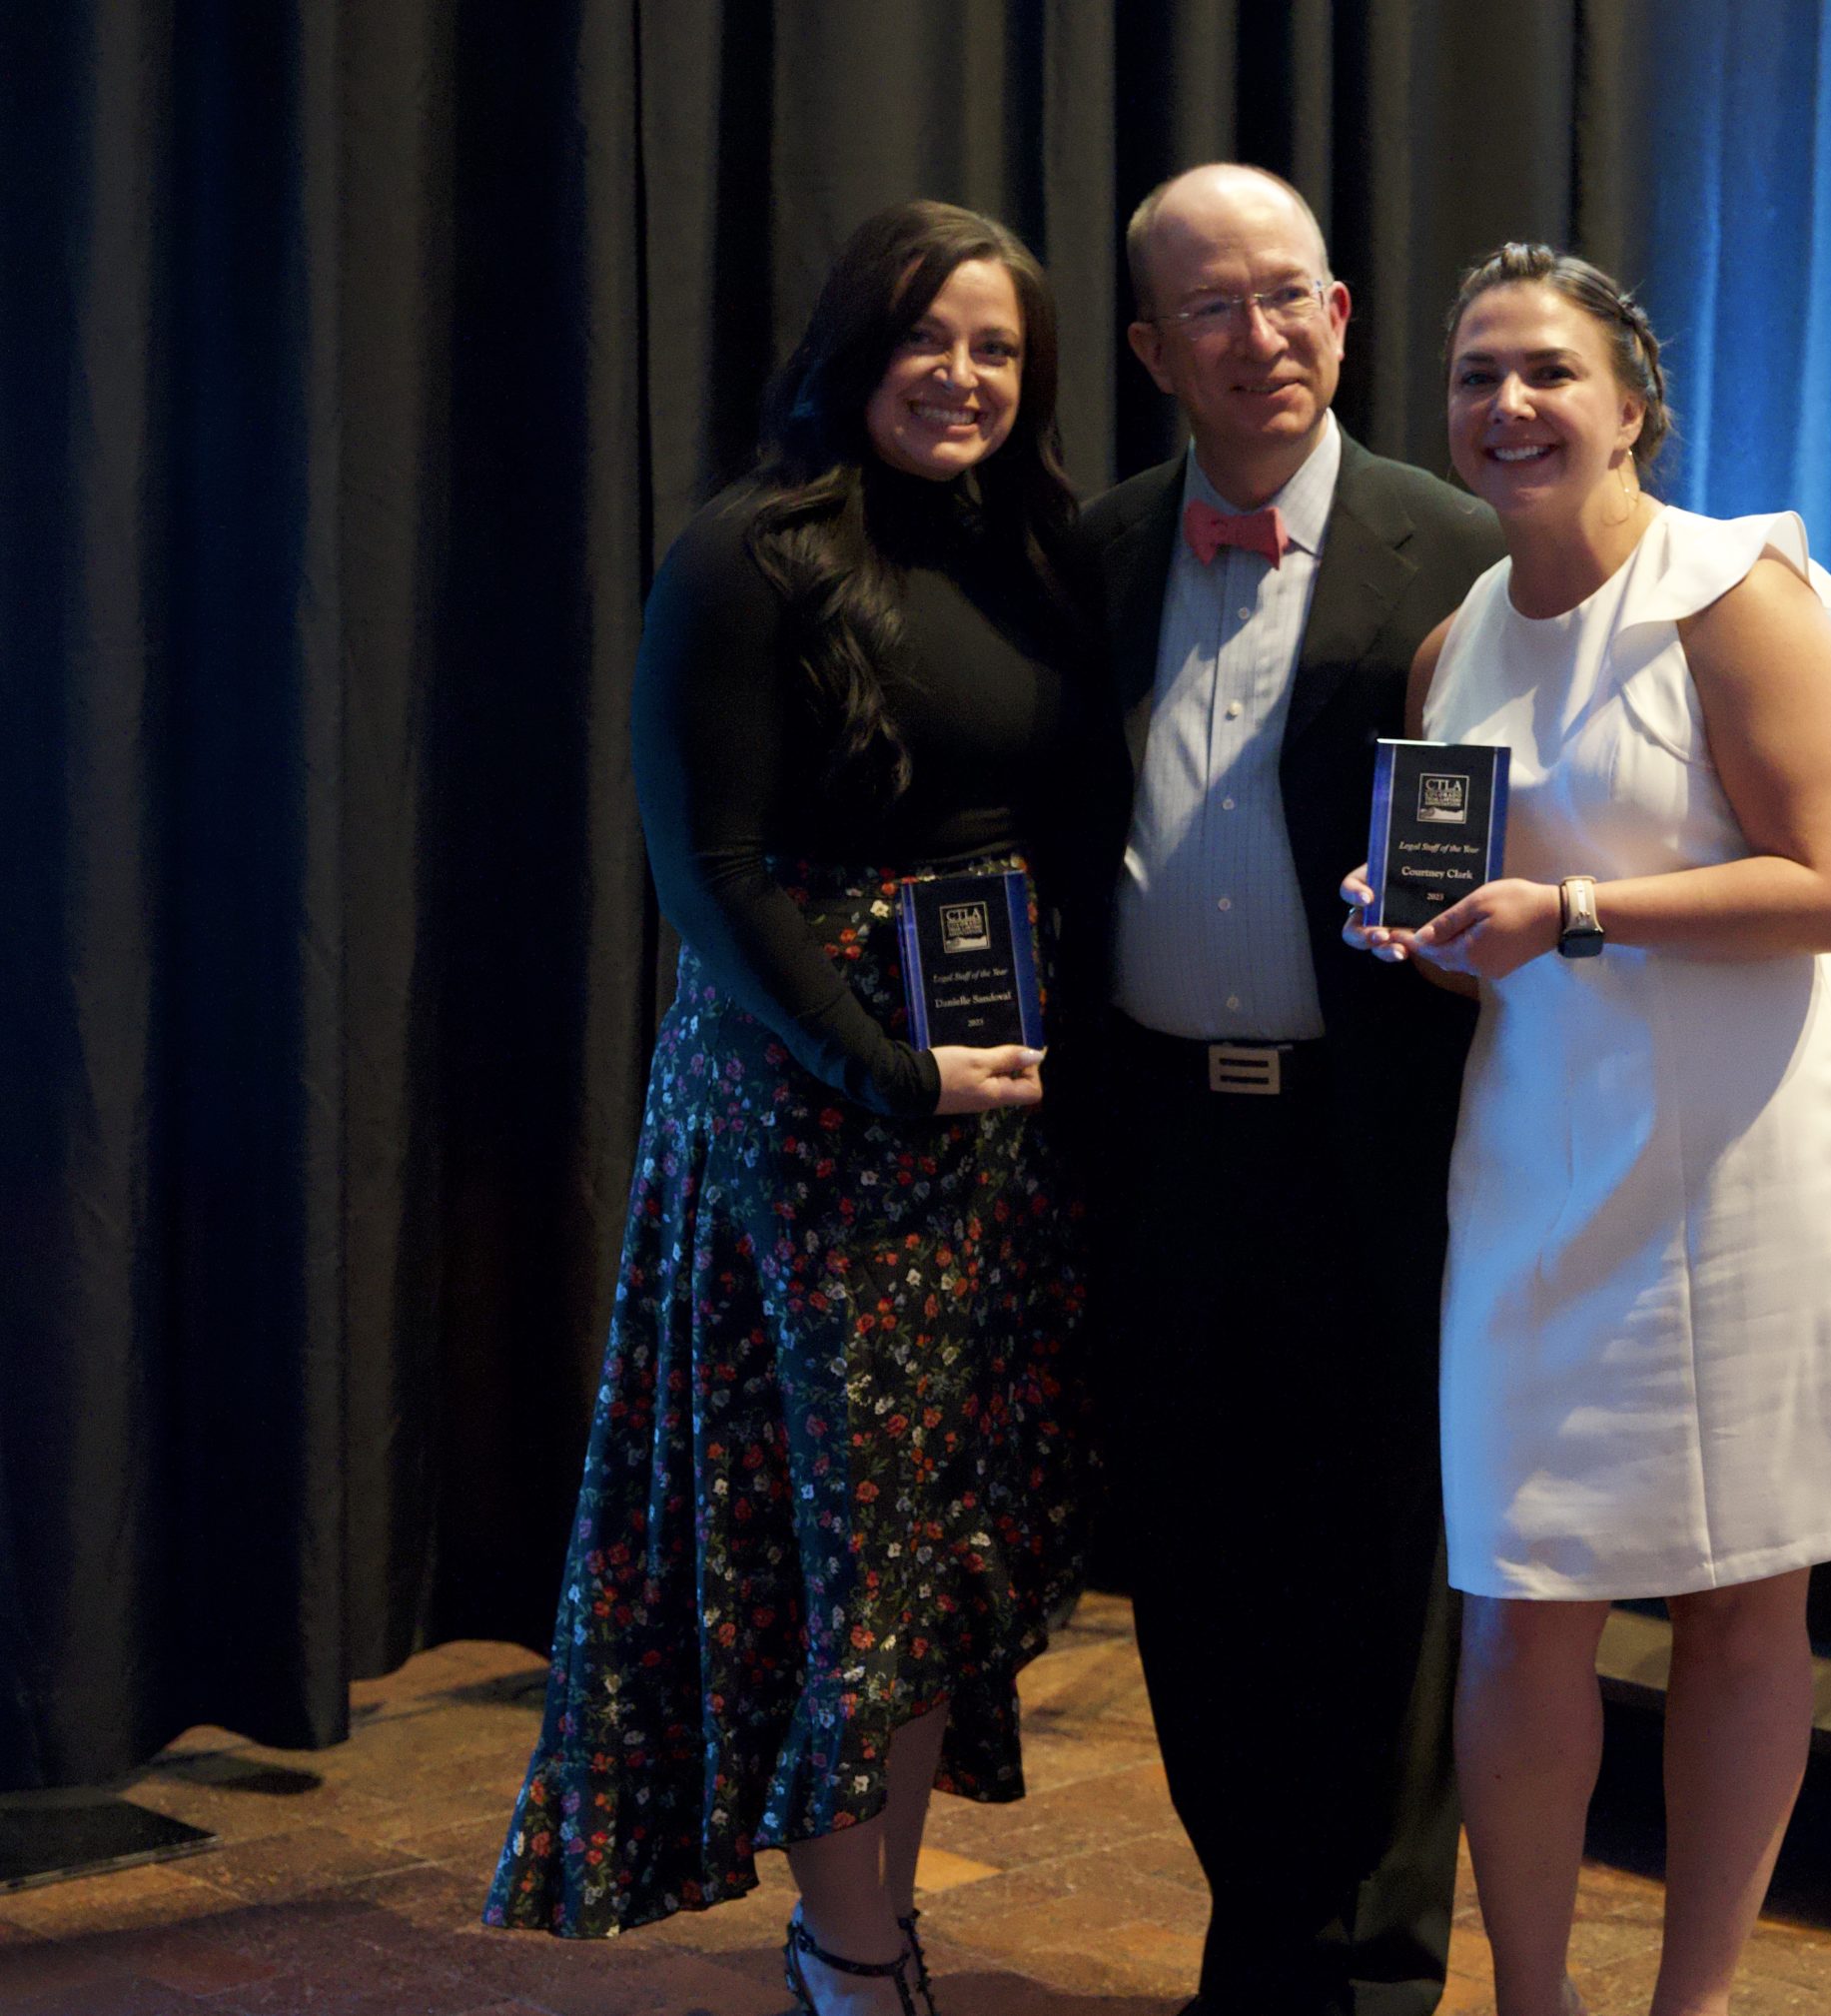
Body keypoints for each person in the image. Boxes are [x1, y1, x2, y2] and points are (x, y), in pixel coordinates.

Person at [483, 200, 1096, 2016]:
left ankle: (872, 1919)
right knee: (847, 1550)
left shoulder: (1034, 553)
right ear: (855, 349)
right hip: (816, 1123)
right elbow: (714, 869)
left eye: (998, 349)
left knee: (926, 1547)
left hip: (990, 1118)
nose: (966, 376)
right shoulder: (747, 554)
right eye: (932, 340)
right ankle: (850, 1948)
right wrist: (884, 1067)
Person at [1344, 244, 1831, 2016]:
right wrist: (1425, 930)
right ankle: (1533, 2002)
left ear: (1632, 408)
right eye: (1474, 375)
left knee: (1742, 1598)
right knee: (1520, 1587)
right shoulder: (1457, 637)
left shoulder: (1734, 587)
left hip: (1751, 1150)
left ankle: (1690, 2006)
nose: (1507, 404)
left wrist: (1573, 912)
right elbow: (1494, 947)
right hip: (1543, 1147)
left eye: (1546, 371)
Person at [1064, 163, 1504, 2016]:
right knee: (1197, 1565)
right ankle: (1258, 1947)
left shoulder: (1463, 548)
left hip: (1376, 1141)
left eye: (1291, 297)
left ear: (1343, 317)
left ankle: (1379, 1974)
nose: (1263, 339)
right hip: (1163, 1141)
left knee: (1388, 1582)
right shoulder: (1091, 558)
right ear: (1157, 347)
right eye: (1216, 309)